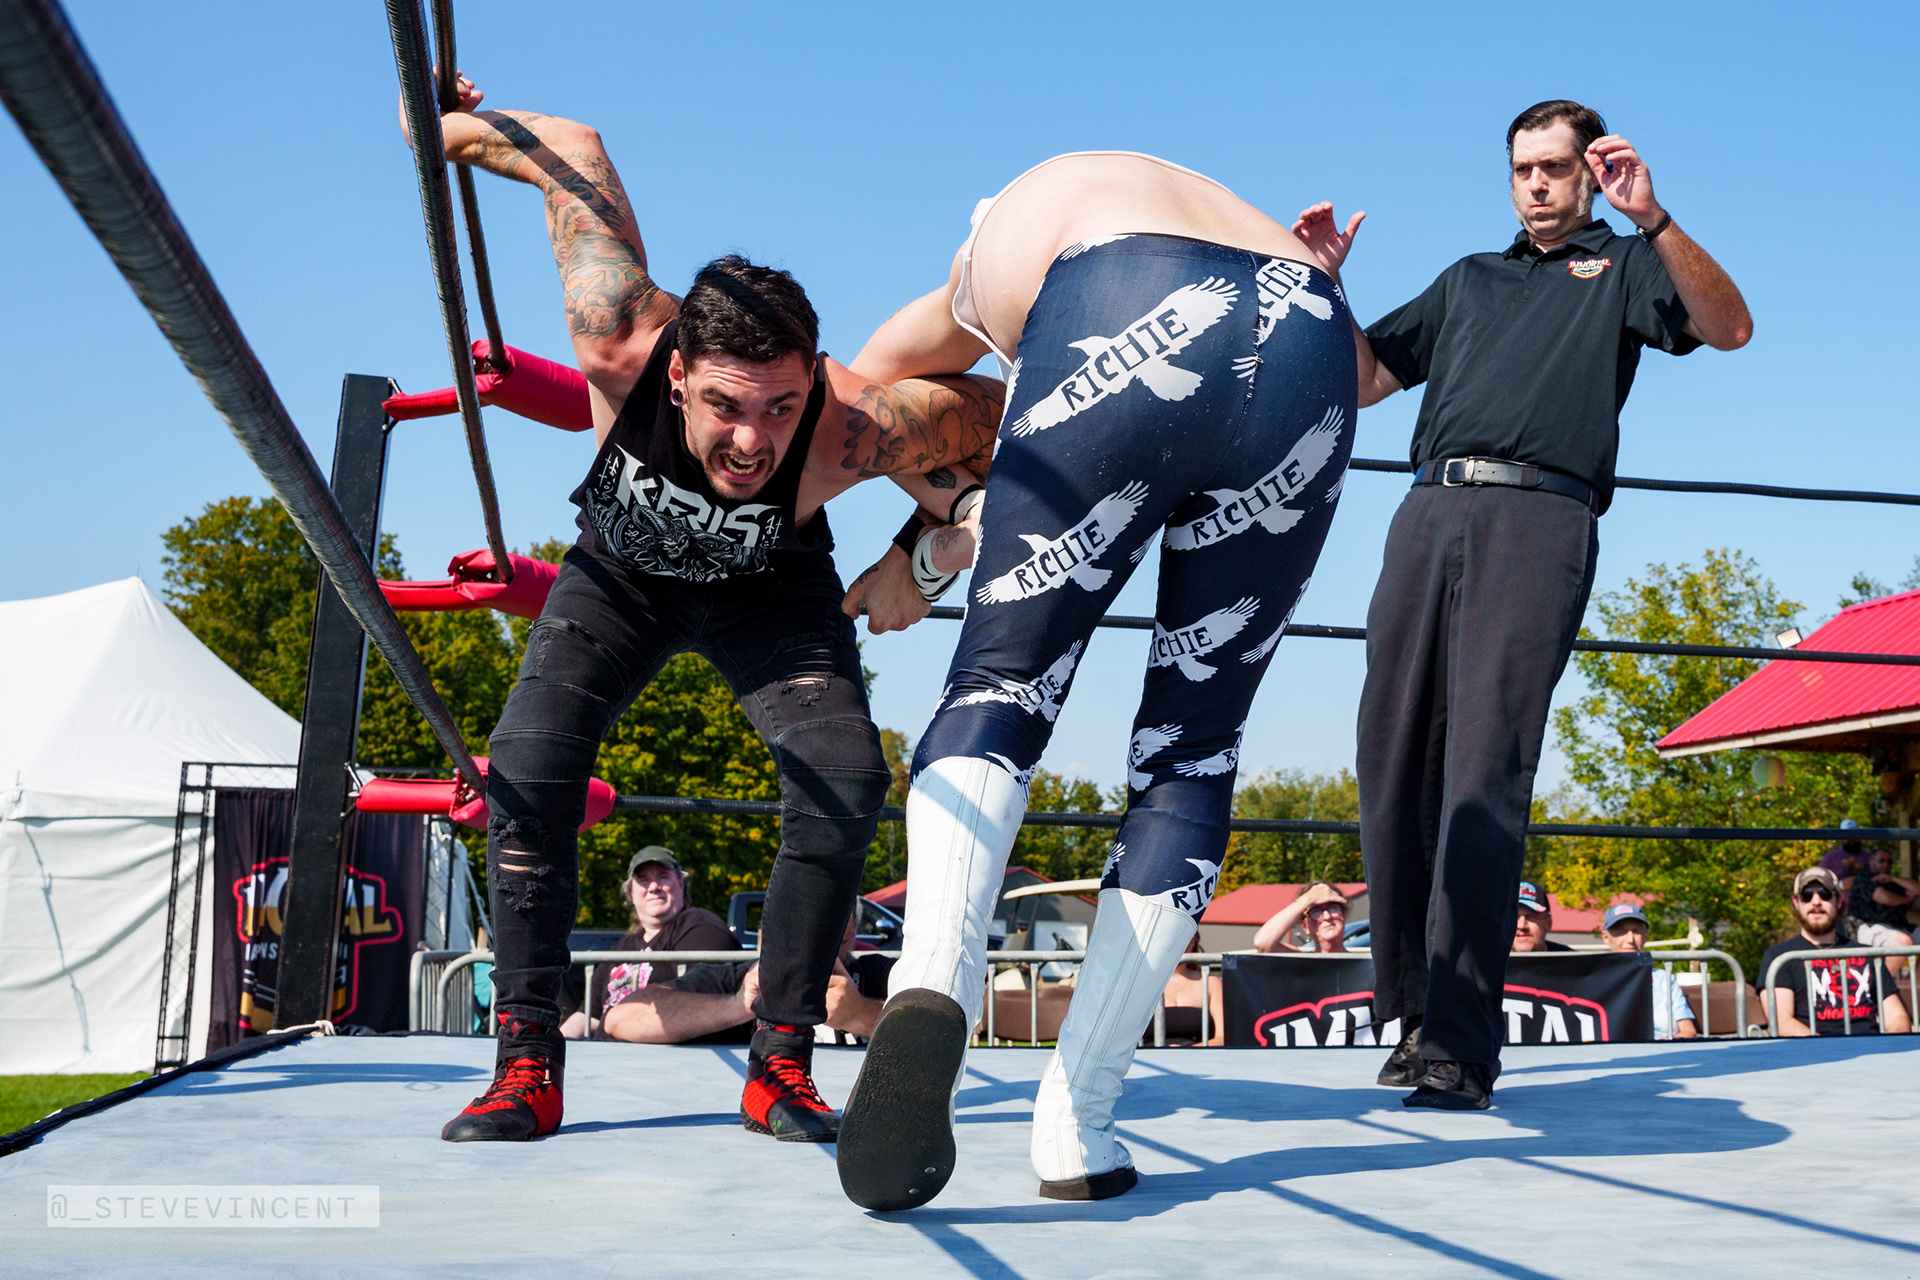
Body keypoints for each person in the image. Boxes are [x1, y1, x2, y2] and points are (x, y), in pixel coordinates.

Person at [420, 77, 1005, 1146]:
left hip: (772, 590)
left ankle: (780, 1063)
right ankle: (525, 1064)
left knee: (847, 778)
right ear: (679, 374)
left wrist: (917, 556)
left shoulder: (853, 425)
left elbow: (1009, 427)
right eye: (727, 405)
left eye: (780, 408)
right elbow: (570, 151)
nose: (751, 440)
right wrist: (442, 122)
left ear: (811, 386)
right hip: (622, 579)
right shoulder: (618, 335)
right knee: (529, 766)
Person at [832, 151, 1359, 1209]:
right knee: (1194, 750)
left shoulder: (985, 262)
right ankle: (1080, 1123)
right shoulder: (1188, 196)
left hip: (1121, 291)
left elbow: (855, 399)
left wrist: (924, 547)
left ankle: (933, 980)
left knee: (1002, 682)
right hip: (1316, 328)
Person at [1302, 99, 1752, 1111]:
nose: (1537, 184)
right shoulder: (1468, 278)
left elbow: (1730, 328)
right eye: (1522, 169)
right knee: (1390, 757)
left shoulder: (1627, 265)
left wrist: (1654, 217)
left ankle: (1461, 1043)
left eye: (1555, 167)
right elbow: (1366, 380)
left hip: (1539, 518)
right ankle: (1412, 1017)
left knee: (1483, 769)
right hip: (1427, 511)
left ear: (1593, 174)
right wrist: (1327, 287)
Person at [603, 906, 891, 1046]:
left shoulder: (880, 975)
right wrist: (738, 1005)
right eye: (802, 916)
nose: (816, 931)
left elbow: (923, 1025)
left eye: (835, 916)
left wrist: (860, 1015)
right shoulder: (744, 980)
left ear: (854, 928)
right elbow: (621, 1019)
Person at [560, 847, 736, 1040]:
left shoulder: (701, 928)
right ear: (631, 893)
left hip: (665, 1053)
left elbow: (702, 1006)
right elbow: (587, 1016)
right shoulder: (620, 949)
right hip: (607, 1052)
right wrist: (555, 1048)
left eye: (663, 876)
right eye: (643, 879)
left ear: (680, 884)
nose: (653, 887)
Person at [1762, 868, 1911, 1036]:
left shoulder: (1867, 954)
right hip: (1814, 1050)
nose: (1816, 901)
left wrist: (1894, 1044)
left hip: (1871, 1049)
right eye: (1807, 894)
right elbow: (1782, 1022)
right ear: (1796, 902)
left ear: (1839, 900)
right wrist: (1829, 1049)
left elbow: (1896, 1016)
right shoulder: (1780, 957)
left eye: (1825, 894)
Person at [1598, 903, 1697, 1041]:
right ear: (1605, 937)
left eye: (1636, 931)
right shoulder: (1596, 980)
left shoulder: (1665, 979)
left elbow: (1688, 1030)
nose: (1630, 939)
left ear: (1646, 936)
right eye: (1621, 932)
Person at [1842, 847, 1917, 961]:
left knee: (1903, 938)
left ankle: (1915, 974)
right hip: (1867, 927)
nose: (1885, 864)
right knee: (1903, 941)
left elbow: (1917, 889)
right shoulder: (1863, 878)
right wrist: (1905, 899)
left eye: (1889, 862)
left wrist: (1894, 879)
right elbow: (1885, 898)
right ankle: (1884, 974)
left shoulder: (1893, 881)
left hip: (1899, 926)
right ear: (1871, 862)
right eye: (1881, 860)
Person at [1149, 933, 1224, 1047]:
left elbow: (1223, 1038)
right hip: (1148, 1057)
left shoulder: (1211, 983)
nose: (1178, 941)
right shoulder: (1140, 984)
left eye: (1186, 934)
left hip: (1197, 1057)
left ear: (1195, 940)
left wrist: (1187, 1051)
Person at [1252, 881, 1351, 953]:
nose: (1327, 916)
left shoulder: (1359, 962)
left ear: (1343, 915)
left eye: (1333, 908)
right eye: (1316, 911)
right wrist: (1307, 899)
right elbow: (1263, 943)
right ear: (1304, 926)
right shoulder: (1301, 961)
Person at [1510, 881, 1571, 953]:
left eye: (1531, 917)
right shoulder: (1496, 958)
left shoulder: (1571, 958)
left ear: (1548, 923)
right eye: (1514, 917)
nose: (1521, 926)